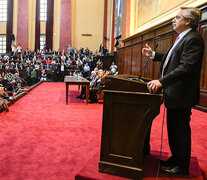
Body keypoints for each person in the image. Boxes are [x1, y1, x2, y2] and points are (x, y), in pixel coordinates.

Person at [142, 7, 205, 175]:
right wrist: (153, 54)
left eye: (177, 17)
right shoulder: (182, 38)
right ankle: (176, 158)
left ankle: (181, 166)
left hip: (182, 94)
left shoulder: (193, 39)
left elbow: (186, 67)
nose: (173, 20)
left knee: (179, 129)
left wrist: (162, 82)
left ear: (188, 21)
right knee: (173, 128)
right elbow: (171, 60)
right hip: (175, 93)